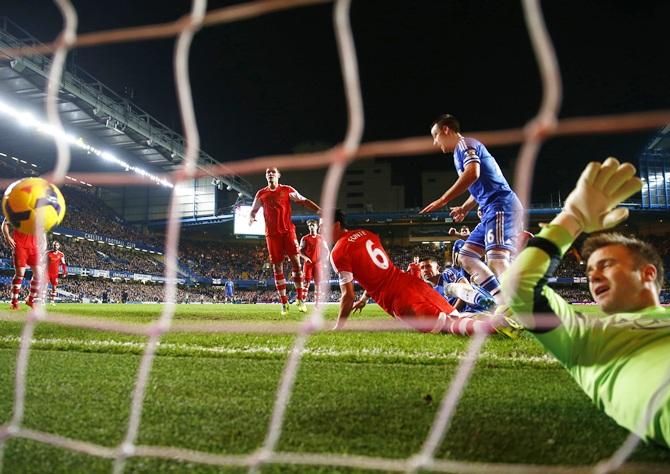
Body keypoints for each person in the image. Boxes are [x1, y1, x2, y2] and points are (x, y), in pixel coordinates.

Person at [502, 157, 669, 448]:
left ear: (647, 273)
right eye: (590, 270)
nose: (593, 276)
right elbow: (519, 286)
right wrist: (573, 218)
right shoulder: (585, 336)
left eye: (605, 264)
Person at [327, 209, 502, 336]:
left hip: (397, 297)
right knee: (454, 316)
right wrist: (364, 299)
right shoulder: (367, 234)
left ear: (335, 224)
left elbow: (347, 295)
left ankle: (495, 327)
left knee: (447, 326)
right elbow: (378, 271)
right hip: (411, 283)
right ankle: (494, 318)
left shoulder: (338, 251)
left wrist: (339, 326)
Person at [421, 114, 523, 305]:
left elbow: (473, 172)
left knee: (497, 260)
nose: (435, 142)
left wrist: (443, 200)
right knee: (466, 257)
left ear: (446, 130)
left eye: (435, 136)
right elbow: (478, 184)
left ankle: (522, 305)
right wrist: (465, 207)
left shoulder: (464, 144)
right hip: (489, 209)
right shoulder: (458, 153)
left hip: (500, 204)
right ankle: (502, 303)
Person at [249, 167, 321, 315]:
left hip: (288, 231)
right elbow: (253, 209)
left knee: (296, 261)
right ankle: (284, 302)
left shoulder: (287, 190)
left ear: (278, 175)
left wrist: (319, 210)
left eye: (273, 172)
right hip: (272, 235)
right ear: (266, 176)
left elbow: (303, 200)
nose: (270, 174)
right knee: (277, 267)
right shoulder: (261, 193)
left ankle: (301, 299)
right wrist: (251, 217)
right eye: (268, 172)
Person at [419, 245, 495, 314]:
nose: (425, 270)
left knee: (454, 288)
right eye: (422, 268)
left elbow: (466, 287)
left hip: (474, 303)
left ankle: (485, 302)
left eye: (428, 266)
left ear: (437, 268)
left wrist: (453, 312)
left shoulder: (447, 274)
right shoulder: (425, 290)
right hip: (466, 313)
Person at [1, 218, 40, 309]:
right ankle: (14, 302)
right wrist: (7, 237)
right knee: (20, 274)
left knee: (39, 274)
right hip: (20, 245)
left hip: (34, 247)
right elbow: (4, 224)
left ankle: (30, 300)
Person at [299, 219, 329, 305]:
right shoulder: (305, 238)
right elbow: (299, 251)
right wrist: (305, 258)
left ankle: (317, 303)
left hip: (318, 264)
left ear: (316, 227)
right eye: (310, 225)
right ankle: (302, 302)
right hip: (308, 264)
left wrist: (325, 259)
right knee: (306, 283)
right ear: (308, 227)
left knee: (318, 284)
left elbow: (326, 250)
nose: (311, 227)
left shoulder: (321, 238)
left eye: (313, 225)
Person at [46, 240, 67, 305]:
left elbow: (63, 264)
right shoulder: (48, 253)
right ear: (52, 246)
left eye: (57, 245)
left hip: (55, 273)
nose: (55, 246)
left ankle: (52, 301)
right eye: (54, 245)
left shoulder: (61, 254)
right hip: (47, 272)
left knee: (54, 287)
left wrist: (64, 272)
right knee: (44, 286)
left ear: (59, 246)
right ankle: (43, 301)